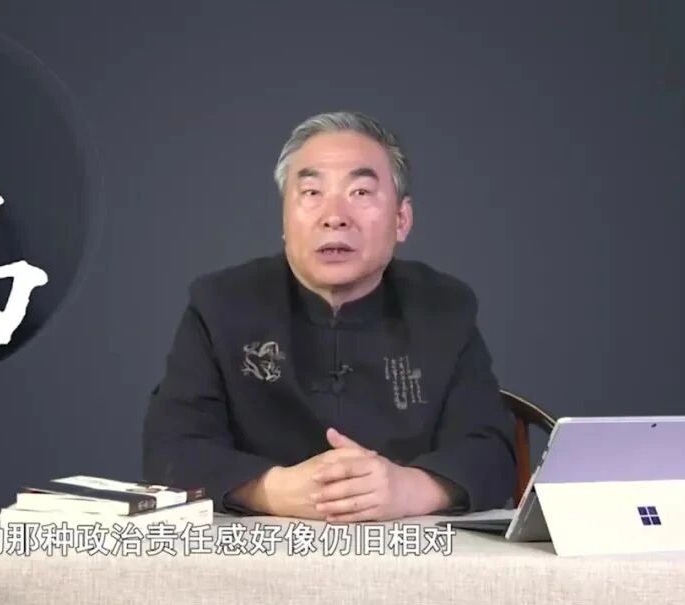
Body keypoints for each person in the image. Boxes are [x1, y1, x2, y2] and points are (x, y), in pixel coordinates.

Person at [141, 111, 516, 522]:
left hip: (405, 548)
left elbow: (491, 453)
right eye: (312, 192)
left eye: (360, 192)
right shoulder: (222, 305)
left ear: (401, 220)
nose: (334, 216)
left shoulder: (444, 309)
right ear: (285, 219)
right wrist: (272, 491)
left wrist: (409, 489)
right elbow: (171, 449)